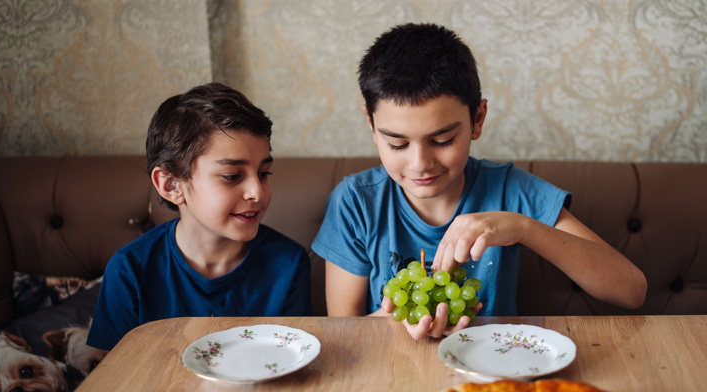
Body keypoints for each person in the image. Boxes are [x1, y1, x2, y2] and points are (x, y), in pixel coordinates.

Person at [311, 23, 647, 340]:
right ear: (371, 125)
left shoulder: (510, 190)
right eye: (397, 144)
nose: (420, 164)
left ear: (478, 119)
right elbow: (345, 331)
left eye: (442, 141)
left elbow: (632, 291)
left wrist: (524, 228)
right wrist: (404, 318)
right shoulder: (355, 202)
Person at [87, 82, 311, 351]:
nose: (256, 192)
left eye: (264, 174)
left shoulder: (289, 263)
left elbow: (291, 359)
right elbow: (110, 373)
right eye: (232, 176)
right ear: (171, 185)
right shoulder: (129, 269)